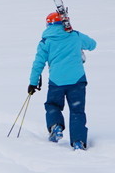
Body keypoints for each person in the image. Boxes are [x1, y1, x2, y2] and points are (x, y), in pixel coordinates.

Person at [28, 11, 97, 150]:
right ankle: (79, 142)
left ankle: (56, 126)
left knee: (53, 105)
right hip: (77, 80)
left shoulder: (46, 41)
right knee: (77, 111)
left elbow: (38, 64)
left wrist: (33, 83)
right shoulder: (75, 36)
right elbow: (92, 44)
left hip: (56, 81)